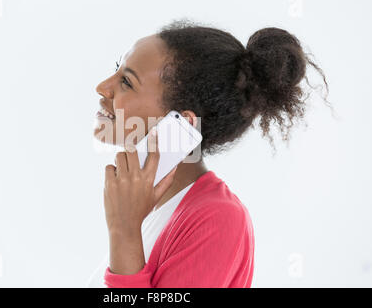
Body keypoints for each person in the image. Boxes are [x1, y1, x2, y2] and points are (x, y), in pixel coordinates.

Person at [87, 18, 330, 288]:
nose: (102, 87)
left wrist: (124, 231)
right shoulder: (148, 211)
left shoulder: (219, 220)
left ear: (182, 123)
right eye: (116, 70)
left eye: (127, 82)